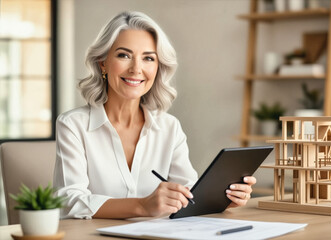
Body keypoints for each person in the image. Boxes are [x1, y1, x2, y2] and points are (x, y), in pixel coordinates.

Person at [53, 11, 256, 219]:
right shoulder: (73, 125)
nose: (136, 69)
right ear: (102, 62)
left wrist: (223, 198)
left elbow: (189, 194)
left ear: (158, 67)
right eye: (124, 55)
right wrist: (142, 206)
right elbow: (69, 201)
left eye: (148, 58)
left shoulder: (169, 127)